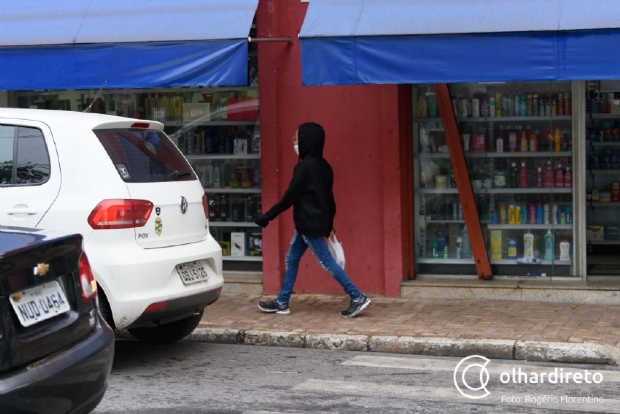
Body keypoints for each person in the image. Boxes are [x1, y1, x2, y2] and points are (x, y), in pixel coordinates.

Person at [254, 122, 370, 318]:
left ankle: (357, 296)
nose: (294, 141)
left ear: (307, 140)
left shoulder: (304, 167)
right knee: (292, 258)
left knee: (327, 262)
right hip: (309, 225)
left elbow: (289, 197)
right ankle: (282, 302)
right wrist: (329, 225)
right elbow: (330, 200)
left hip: (309, 225)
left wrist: (267, 217)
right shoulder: (325, 167)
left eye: (297, 138)